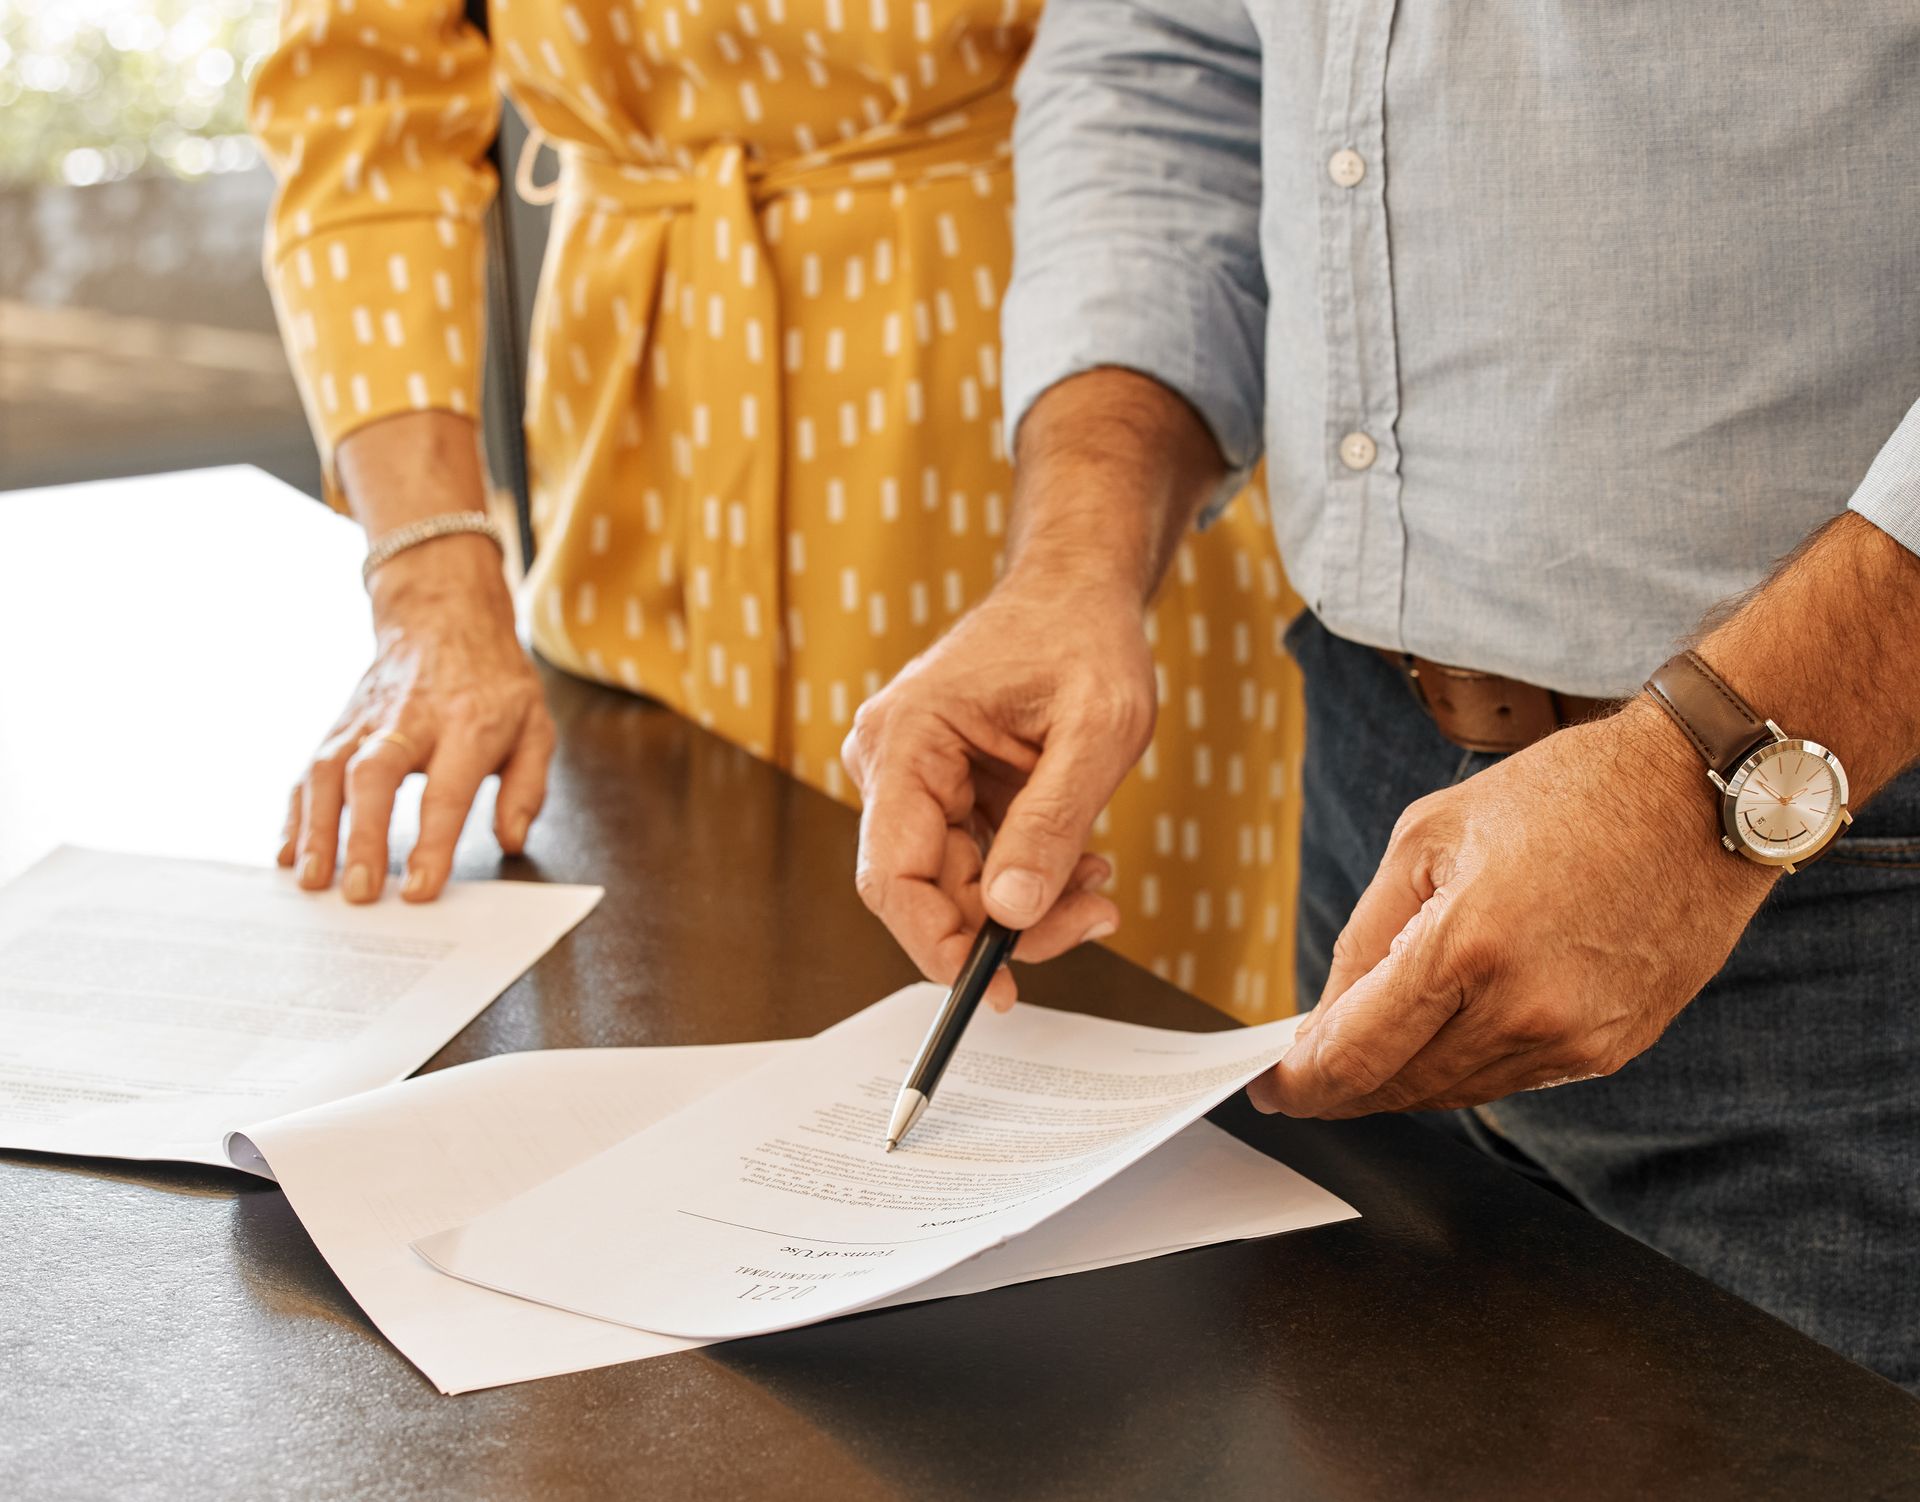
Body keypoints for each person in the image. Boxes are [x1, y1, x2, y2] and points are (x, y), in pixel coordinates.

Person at [843, 1, 1920, 1389]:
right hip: (1370, 783)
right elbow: (1169, 58)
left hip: (1839, 858)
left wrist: (1705, 780)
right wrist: (1075, 560)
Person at [249, 0, 1307, 1022]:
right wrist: (432, 586)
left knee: (1093, 1045)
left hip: (1069, 456)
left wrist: (1080, 560)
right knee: (649, 1046)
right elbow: (361, 100)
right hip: (633, 486)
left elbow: (1186, 74)